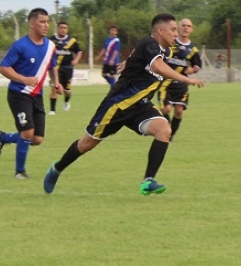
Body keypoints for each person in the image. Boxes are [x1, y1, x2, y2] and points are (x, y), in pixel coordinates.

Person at [43, 13, 205, 196]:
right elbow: (158, 67)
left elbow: (144, 57)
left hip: (140, 106)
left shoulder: (164, 50)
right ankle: (57, 168)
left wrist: (130, 61)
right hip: (117, 105)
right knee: (86, 144)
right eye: (173, 29)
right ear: (161, 31)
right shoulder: (149, 43)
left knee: (164, 130)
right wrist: (187, 80)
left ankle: (148, 181)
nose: (176, 34)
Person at [0, 8, 62, 179]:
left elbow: (52, 66)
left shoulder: (51, 46)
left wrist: (57, 82)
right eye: (42, 22)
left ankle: (3, 137)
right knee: (28, 133)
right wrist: (23, 79)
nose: (46, 25)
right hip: (18, 94)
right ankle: (19, 172)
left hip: (36, 96)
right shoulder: (20, 46)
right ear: (32, 24)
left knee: (37, 139)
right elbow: (3, 67)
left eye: (47, 22)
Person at [158, 18, 202, 140]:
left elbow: (197, 65)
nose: (186, 27)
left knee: (178, 111)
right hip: (165, 84)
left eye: (188, 26)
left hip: (181, 85)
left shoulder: (193, 49)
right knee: (166, 109)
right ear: (178, 27)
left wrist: (192, 70)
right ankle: (167, 130)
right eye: (183, 25)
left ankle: (170, 135)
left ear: (191, 30)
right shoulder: (170, 43)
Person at [49, 20, 82, 114]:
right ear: (57, 29)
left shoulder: (72, 41)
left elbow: (79, 52)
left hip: (68, 68)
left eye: (65, 28)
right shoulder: (51, 40)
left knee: (67, 90)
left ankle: (66, 102)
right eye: (61, 28)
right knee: (54, 87)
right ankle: (52, 110)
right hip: (55, 68)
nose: (63, 30)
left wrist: (76, 60)